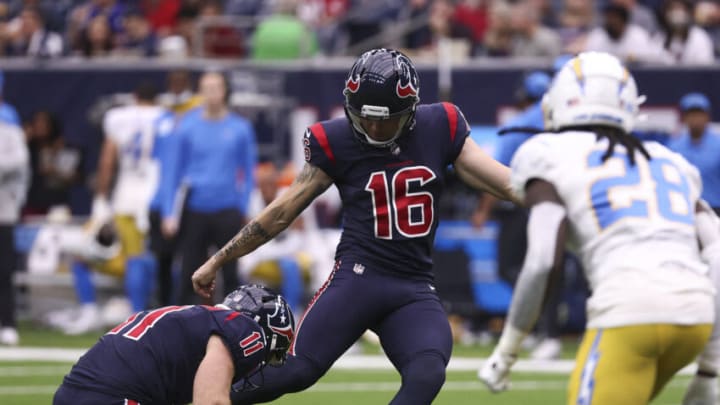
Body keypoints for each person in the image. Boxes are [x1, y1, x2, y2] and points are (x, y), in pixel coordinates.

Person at [191, 48, 519, 404]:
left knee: (427, 372)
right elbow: (281, 211)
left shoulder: (439, 126)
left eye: (386, 120)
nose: (375, 128)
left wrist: (561, 194)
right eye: (365, 118)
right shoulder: (339, 140)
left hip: (413, 287)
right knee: (299, 370)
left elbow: (505, 182)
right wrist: (218, 260)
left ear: (409, 112)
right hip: (358, 278)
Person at [479, 51, 719, 405]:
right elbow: (716, 252)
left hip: (628, 313)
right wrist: (712, 366)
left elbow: (544, 258)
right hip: (694, 317)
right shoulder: (670, 160)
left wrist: (508, 349)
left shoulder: (546, 151)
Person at [53, 284, 296, 405]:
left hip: (70, 392)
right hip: (114, 397)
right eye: (272, 354)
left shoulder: (188, 316)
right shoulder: (244, 329)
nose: (263, 362)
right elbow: (211, 400)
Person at [60, 81, 166, 334]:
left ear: (134, 96)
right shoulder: (168, 118)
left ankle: (133, 319)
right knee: (147, 260)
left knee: (133, 259)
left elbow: (108, 160)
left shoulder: (120, 118)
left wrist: (100, 199)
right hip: (158, 200)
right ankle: (144, 317)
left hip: (127, 198)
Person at [161, 71, 257, 305]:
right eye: (206, 88)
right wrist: (168, 213)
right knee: (190, 271)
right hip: (196, 208)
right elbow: (172, 172)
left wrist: (244, 206)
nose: (211, 93)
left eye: (216, 87)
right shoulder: (187, 126)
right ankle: (188, 325)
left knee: (231, 273)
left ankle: (235, 325)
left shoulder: (240, 128)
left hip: (228, 208)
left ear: (224, 91)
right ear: (200, 92)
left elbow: (248, 171)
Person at [0, 117, 29, 346]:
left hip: (3, 213)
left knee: (4, 271)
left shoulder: (10, 133)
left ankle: (7, 323)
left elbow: (18, 161)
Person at [668, 92, 720, 215]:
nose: (695, 119)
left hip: (715, 209)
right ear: (684, 118)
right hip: (685, 210)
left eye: (699, 114)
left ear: (707, 117)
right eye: (691, 114)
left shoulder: (718, 145)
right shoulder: (674, 147)